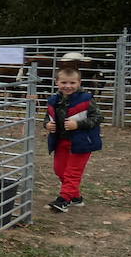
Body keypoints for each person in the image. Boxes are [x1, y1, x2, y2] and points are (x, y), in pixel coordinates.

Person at [44, 66, 103, 212]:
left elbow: (98, 117)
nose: (68, 86)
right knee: (60, 170)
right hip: (61, 141)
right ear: (57, 82)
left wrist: (78, 124)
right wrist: (47, 125)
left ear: (79, 83)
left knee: (72, 172)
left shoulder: (87, 99)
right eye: (64, 83)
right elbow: (48, 117)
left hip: (82, 142)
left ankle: (63, 199)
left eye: (72, 83)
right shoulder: (53, 100)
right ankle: (75, 197)